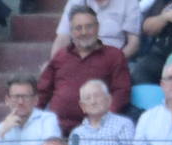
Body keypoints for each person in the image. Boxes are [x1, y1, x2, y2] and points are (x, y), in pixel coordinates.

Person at [38, 6, 130, 135]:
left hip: (97, 130)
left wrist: (106, 122)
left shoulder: (114, 56)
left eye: (89, 26)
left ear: (98, 28)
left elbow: (121, 92)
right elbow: (42, 91)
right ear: (71, 32)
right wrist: (33, 118)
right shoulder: (61, 56)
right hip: (58, 129)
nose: (84, 32)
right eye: (78, 28)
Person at [70, 77, 134, 145]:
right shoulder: (76, 134)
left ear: (109, 100)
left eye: (97, 96)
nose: (93, 101)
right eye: (88, 98)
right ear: (82, 106)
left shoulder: (123, 125)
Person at [51, 0, 141, 59]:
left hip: (111, 57)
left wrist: (116, 61)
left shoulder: (129, 2)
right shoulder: (76, 2)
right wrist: (53, 65)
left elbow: (133, 44)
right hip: (79, 58)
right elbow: (63, 37)